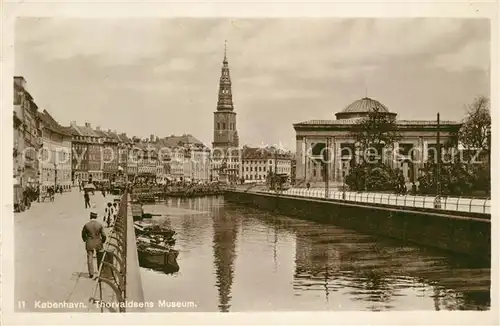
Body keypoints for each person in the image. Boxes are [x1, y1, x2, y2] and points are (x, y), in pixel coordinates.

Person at [81, 212, 107, 278]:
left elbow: (83, 234)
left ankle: (91, 273)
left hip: (89, 242)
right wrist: (103, 241)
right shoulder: (99, 225)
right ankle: (100, 270)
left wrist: (85, 240)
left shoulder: (86, 225)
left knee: (90, 257)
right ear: (96, 217)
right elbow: (103, 235)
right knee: (99, 257)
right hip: (98, 242)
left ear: (90, 217)